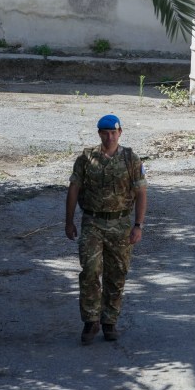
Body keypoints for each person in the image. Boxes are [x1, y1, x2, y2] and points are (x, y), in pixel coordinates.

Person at [65, 114, 147, 344]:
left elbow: (141, 193)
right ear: (99, 133)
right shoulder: (86, 158)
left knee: (117, 273)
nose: (110, 137)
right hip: (92, 222)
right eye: (105, 132)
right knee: (90, 271)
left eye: (114, 132)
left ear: (120, 133)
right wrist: (68, 221)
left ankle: (109, 321)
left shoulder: (131, 159)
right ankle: (90, 321)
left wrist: (138, 225)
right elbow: (73, 189)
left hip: (120, 224)